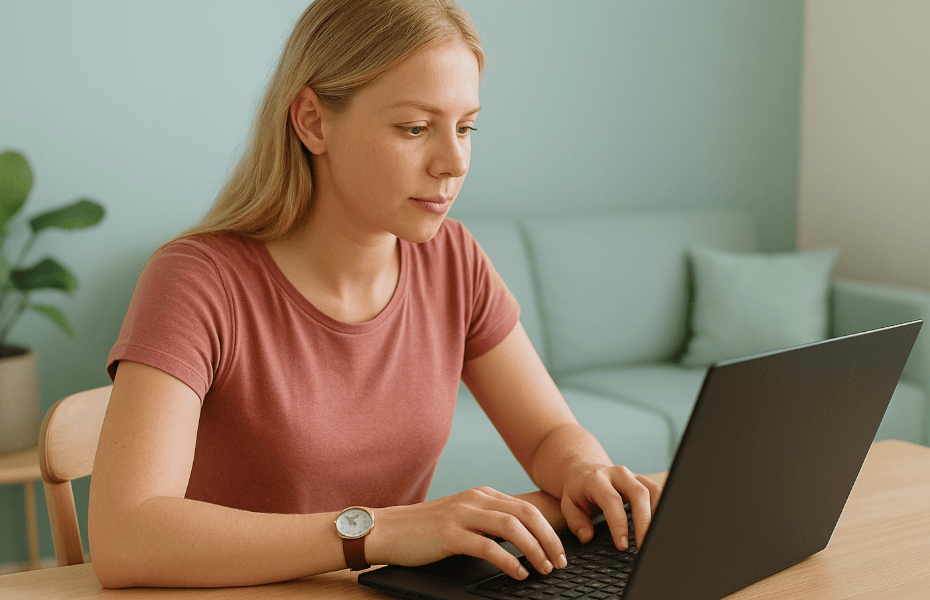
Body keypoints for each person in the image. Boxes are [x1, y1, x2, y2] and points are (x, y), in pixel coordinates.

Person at [88, 0, 662, 589]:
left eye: (465, 127)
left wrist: (586, 470)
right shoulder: (197, 280)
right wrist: (373, 532)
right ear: (313, 121)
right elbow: (125, 536)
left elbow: (546, 435)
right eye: (415, 128)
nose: (454, 161)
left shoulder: (452, 259)